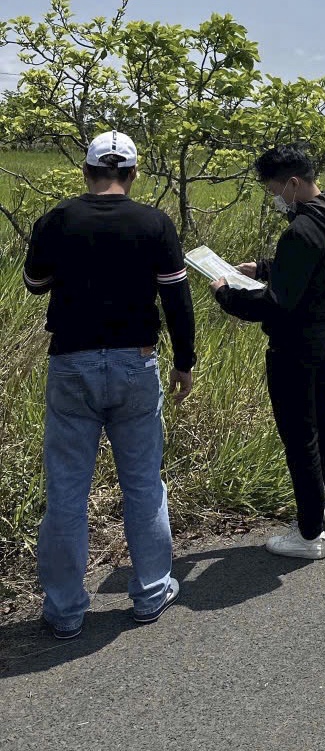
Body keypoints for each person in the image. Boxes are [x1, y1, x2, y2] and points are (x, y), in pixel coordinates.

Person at [23, 130, 195, 639]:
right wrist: (184, 362)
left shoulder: (57, 220)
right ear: (133, 174)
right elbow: (177, 300)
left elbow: (35, 283)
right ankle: (149, 592)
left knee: (67, 490)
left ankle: (65, 611)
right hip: (136, 363)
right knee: (143, 485)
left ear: (87, 172)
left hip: (71, 364)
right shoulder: (154, 222)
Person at [211, 145, 325, 560]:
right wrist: (263, 268)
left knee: (300, 436)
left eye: (275, 189)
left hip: (294, 343)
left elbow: (276, 304)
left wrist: (227, 295)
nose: (274, 198)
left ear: (293, 184)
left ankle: (309, 535)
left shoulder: (300, 230)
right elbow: (307, 270)